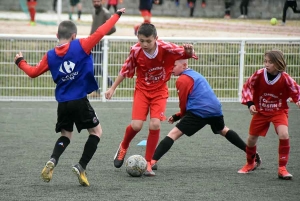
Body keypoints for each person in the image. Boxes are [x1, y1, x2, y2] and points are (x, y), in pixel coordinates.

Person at [14, 8, 125, 186]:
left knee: (66, 135)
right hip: (79, 100)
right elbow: (102, 30)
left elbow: (33, 73)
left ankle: (53, 160)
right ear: (74, 36)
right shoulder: (81, 44)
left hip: (63, 103)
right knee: (96, 132)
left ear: (57, 34)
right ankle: (81, 166)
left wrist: (20, 61)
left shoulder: (50, 56)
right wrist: (117, 15)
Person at [105, 23, 198, 176]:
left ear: (156, 38)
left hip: (160, 91)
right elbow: (126, 69)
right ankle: (123, 146)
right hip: (142, 90)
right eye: (141, 41)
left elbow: (185, 54)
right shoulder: (135, 51)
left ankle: (149, 162)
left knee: (154, 124)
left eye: (148, 41)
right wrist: (112, 87)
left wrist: (189, 52)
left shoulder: (166, 47)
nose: (145, 44)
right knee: (136, 125)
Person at [148, 59, 262, 175]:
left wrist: (179, 115)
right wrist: (179, 115)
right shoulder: (195, 74)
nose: (171, 68)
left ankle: (151, 162)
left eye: (174, 65)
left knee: (173, 134)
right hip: (215, 109)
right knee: (222, 130)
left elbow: (183, 104)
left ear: (184, 65)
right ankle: (252, 154)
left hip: (199, 112)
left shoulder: (182, 80)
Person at [237, 50, 300, 180]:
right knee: (251, 139)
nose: (266, 64)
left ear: (278, 64)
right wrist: (250, 103)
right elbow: (247, 87)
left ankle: (282, 168)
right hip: (261, 111)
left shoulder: (286, 78)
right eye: (265, 61)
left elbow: (296, 90)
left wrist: (298, 100)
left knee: (284, 134)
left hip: (278, 111)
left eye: (270, 62)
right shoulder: (259, 74)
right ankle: (250, 163)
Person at [89, 0, 116, 98]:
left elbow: (113, 28)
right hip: (93, 44)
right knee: (95, 67)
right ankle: (108, 85)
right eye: (94, 1)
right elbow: (94, 28)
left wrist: (101, 35)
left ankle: (103, 87)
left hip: (102, 44)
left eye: (98, 1)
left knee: (96, 66)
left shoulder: (106, 13)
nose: (96, 3)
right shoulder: (94, 12)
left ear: (102, 2)